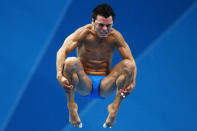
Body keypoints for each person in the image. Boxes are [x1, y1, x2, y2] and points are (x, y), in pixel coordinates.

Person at [56, 3, 137, 128]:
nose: (105, 29)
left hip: (105, 84)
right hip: (84, 82)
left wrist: (133, 83)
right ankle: (71, 106)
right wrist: (59, 76)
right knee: (70, 62)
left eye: (108, 25)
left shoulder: (115, 37)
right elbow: (62, 51)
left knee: (129, 65)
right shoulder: (83, 33)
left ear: (112, 24)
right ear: (93, 21)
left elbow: (131, 60)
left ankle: (114, 107)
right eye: (101, 25)